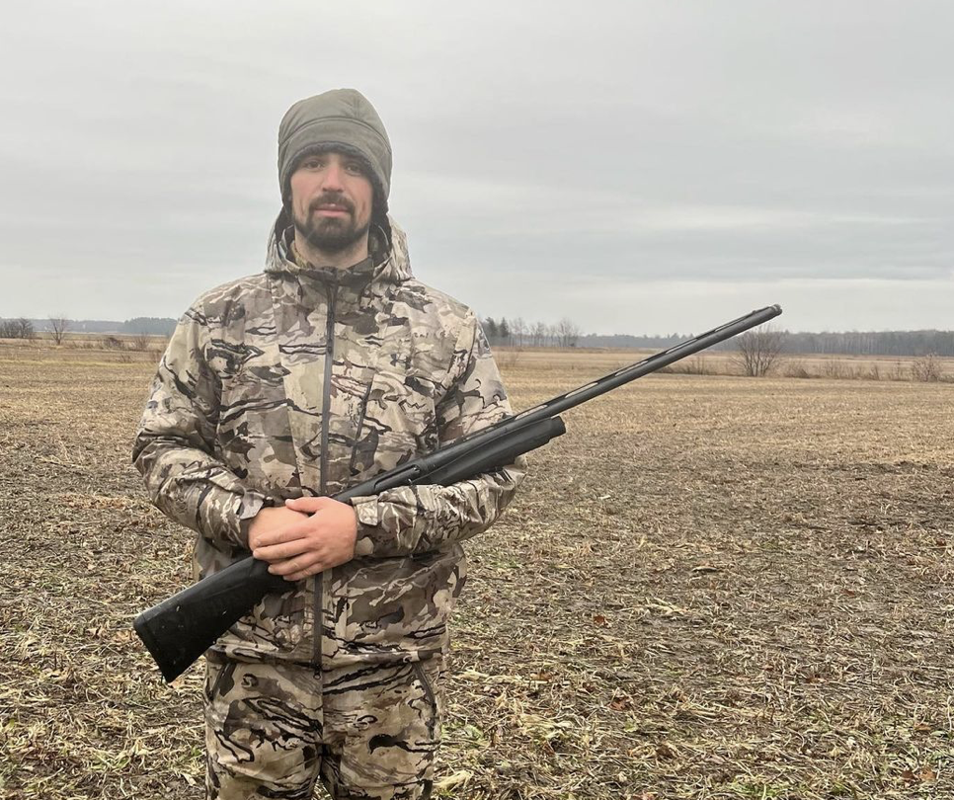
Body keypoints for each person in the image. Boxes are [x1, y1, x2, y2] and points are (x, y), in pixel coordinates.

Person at [133, 88, 525, 800]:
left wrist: (362, 527)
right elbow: (163, 450)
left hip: (392, 670)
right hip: (253, 665)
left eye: (354, 165)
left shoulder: (448, 327)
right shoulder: (220, 317)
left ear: (379, 184)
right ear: (289, 181)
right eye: (314, 161)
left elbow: (493, 477)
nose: (333, 181)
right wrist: (254, 520)